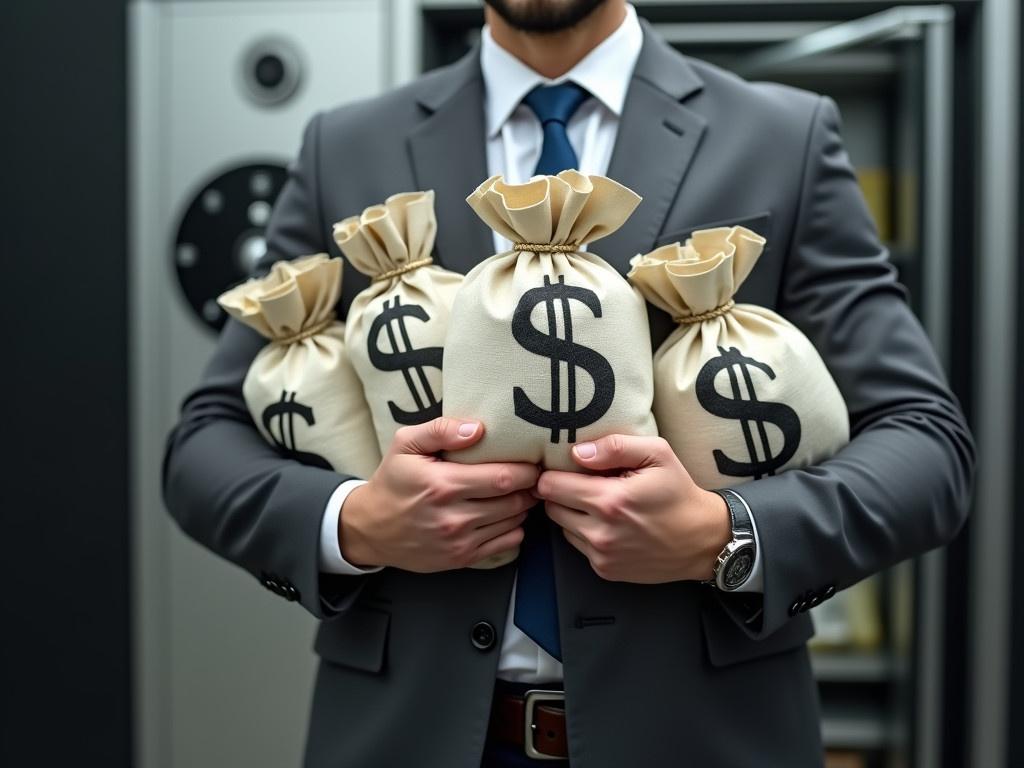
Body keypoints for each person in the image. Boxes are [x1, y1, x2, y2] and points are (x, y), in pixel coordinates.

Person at [162, 1, 975, 765]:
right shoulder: (345, 148)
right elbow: (203, 446)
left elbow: (926, 447)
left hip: (699, 738)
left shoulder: (781, 137)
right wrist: (358, 524)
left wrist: (723, 537)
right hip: (412, 733)